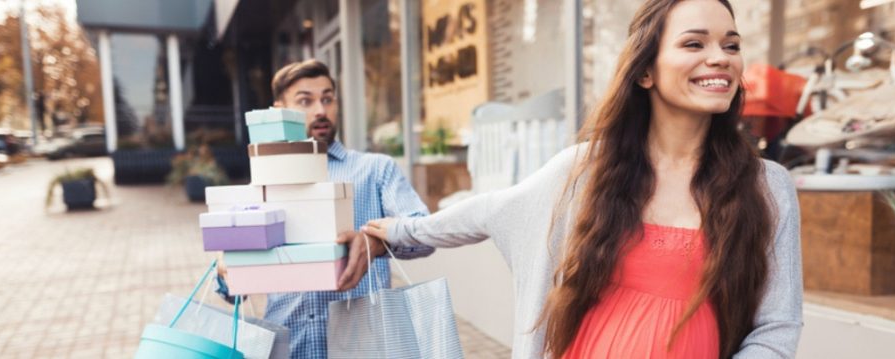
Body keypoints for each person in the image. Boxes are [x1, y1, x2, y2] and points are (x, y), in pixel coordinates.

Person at [357, 1, 803, 358]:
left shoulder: (767, 187)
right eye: (694, 44)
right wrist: (399, 231)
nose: (719, 59)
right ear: (645, 71)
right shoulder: (586, 170)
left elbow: (778, 326)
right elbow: (488, 210)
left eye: (730, 45)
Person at [217, 59, 434, 359]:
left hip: (364, 346)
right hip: (289, 345)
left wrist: (378, 242)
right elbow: (232, 288)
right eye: (305, 101)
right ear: (279, 110)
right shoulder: (263, 183)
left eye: (327, 99)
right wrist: (228, 268)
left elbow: (424, 231)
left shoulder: (375, 169)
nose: (320, 110)